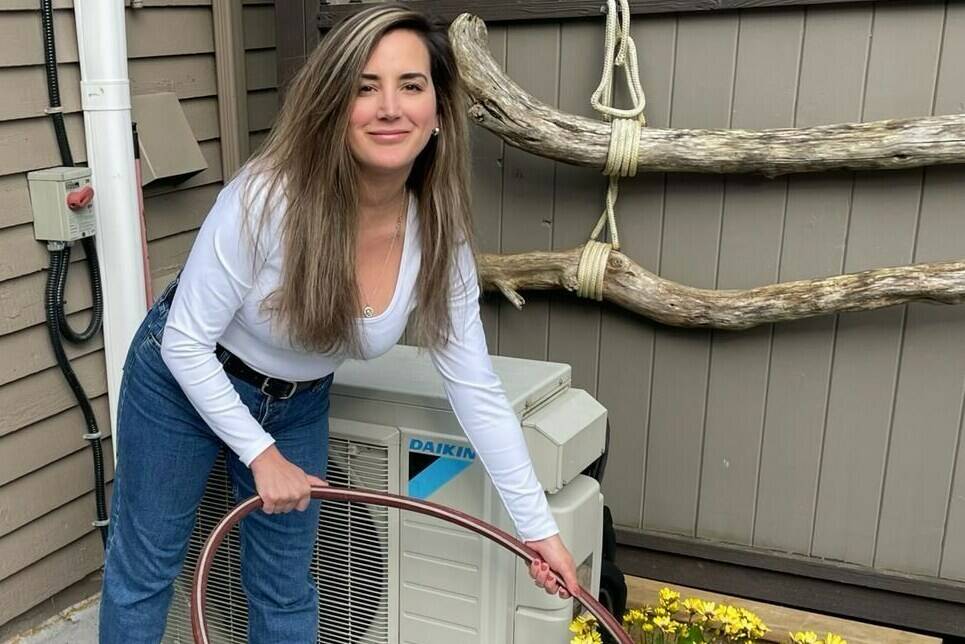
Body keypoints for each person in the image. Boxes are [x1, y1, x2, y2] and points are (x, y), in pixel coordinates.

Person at [98, 4, 579, 643]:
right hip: (180, 383)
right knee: (147, 569)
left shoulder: (439, 235)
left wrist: (538, 529)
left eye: (411, 86)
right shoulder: (266, 197)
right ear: (333, 105)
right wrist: (259, 454)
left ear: (438, 112)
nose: (389, 107)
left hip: (296, 404)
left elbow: (475, 387)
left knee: (285, 587)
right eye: (364, 87)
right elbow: (187, 342)